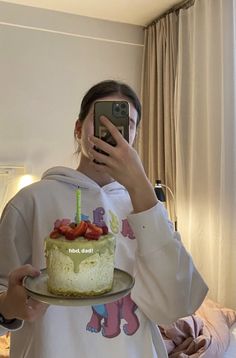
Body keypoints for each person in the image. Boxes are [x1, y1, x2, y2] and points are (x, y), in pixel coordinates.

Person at [0, 80, 208, 358]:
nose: (111, 131)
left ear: (133, 136)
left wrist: (142, 189)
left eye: (126, 124)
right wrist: (8, 308)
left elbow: (177, 303)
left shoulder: (145, 206)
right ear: (78, 128)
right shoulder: (30, 202)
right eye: (101, 120)